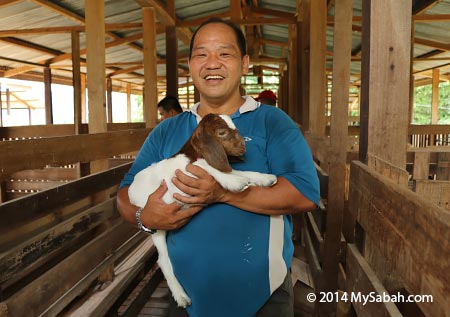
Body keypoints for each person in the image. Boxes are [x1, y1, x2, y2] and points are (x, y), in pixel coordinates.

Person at [117, 18, 320, 317]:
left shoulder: (272, 122)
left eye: (224, 54)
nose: (212, 64)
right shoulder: (167, 130)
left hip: (262, 296)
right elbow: (124, 193)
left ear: (245, 63)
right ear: (190, 65)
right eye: (201, 54)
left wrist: (223, 193)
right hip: (186, 298)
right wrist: (143, 216)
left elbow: (305, 194)